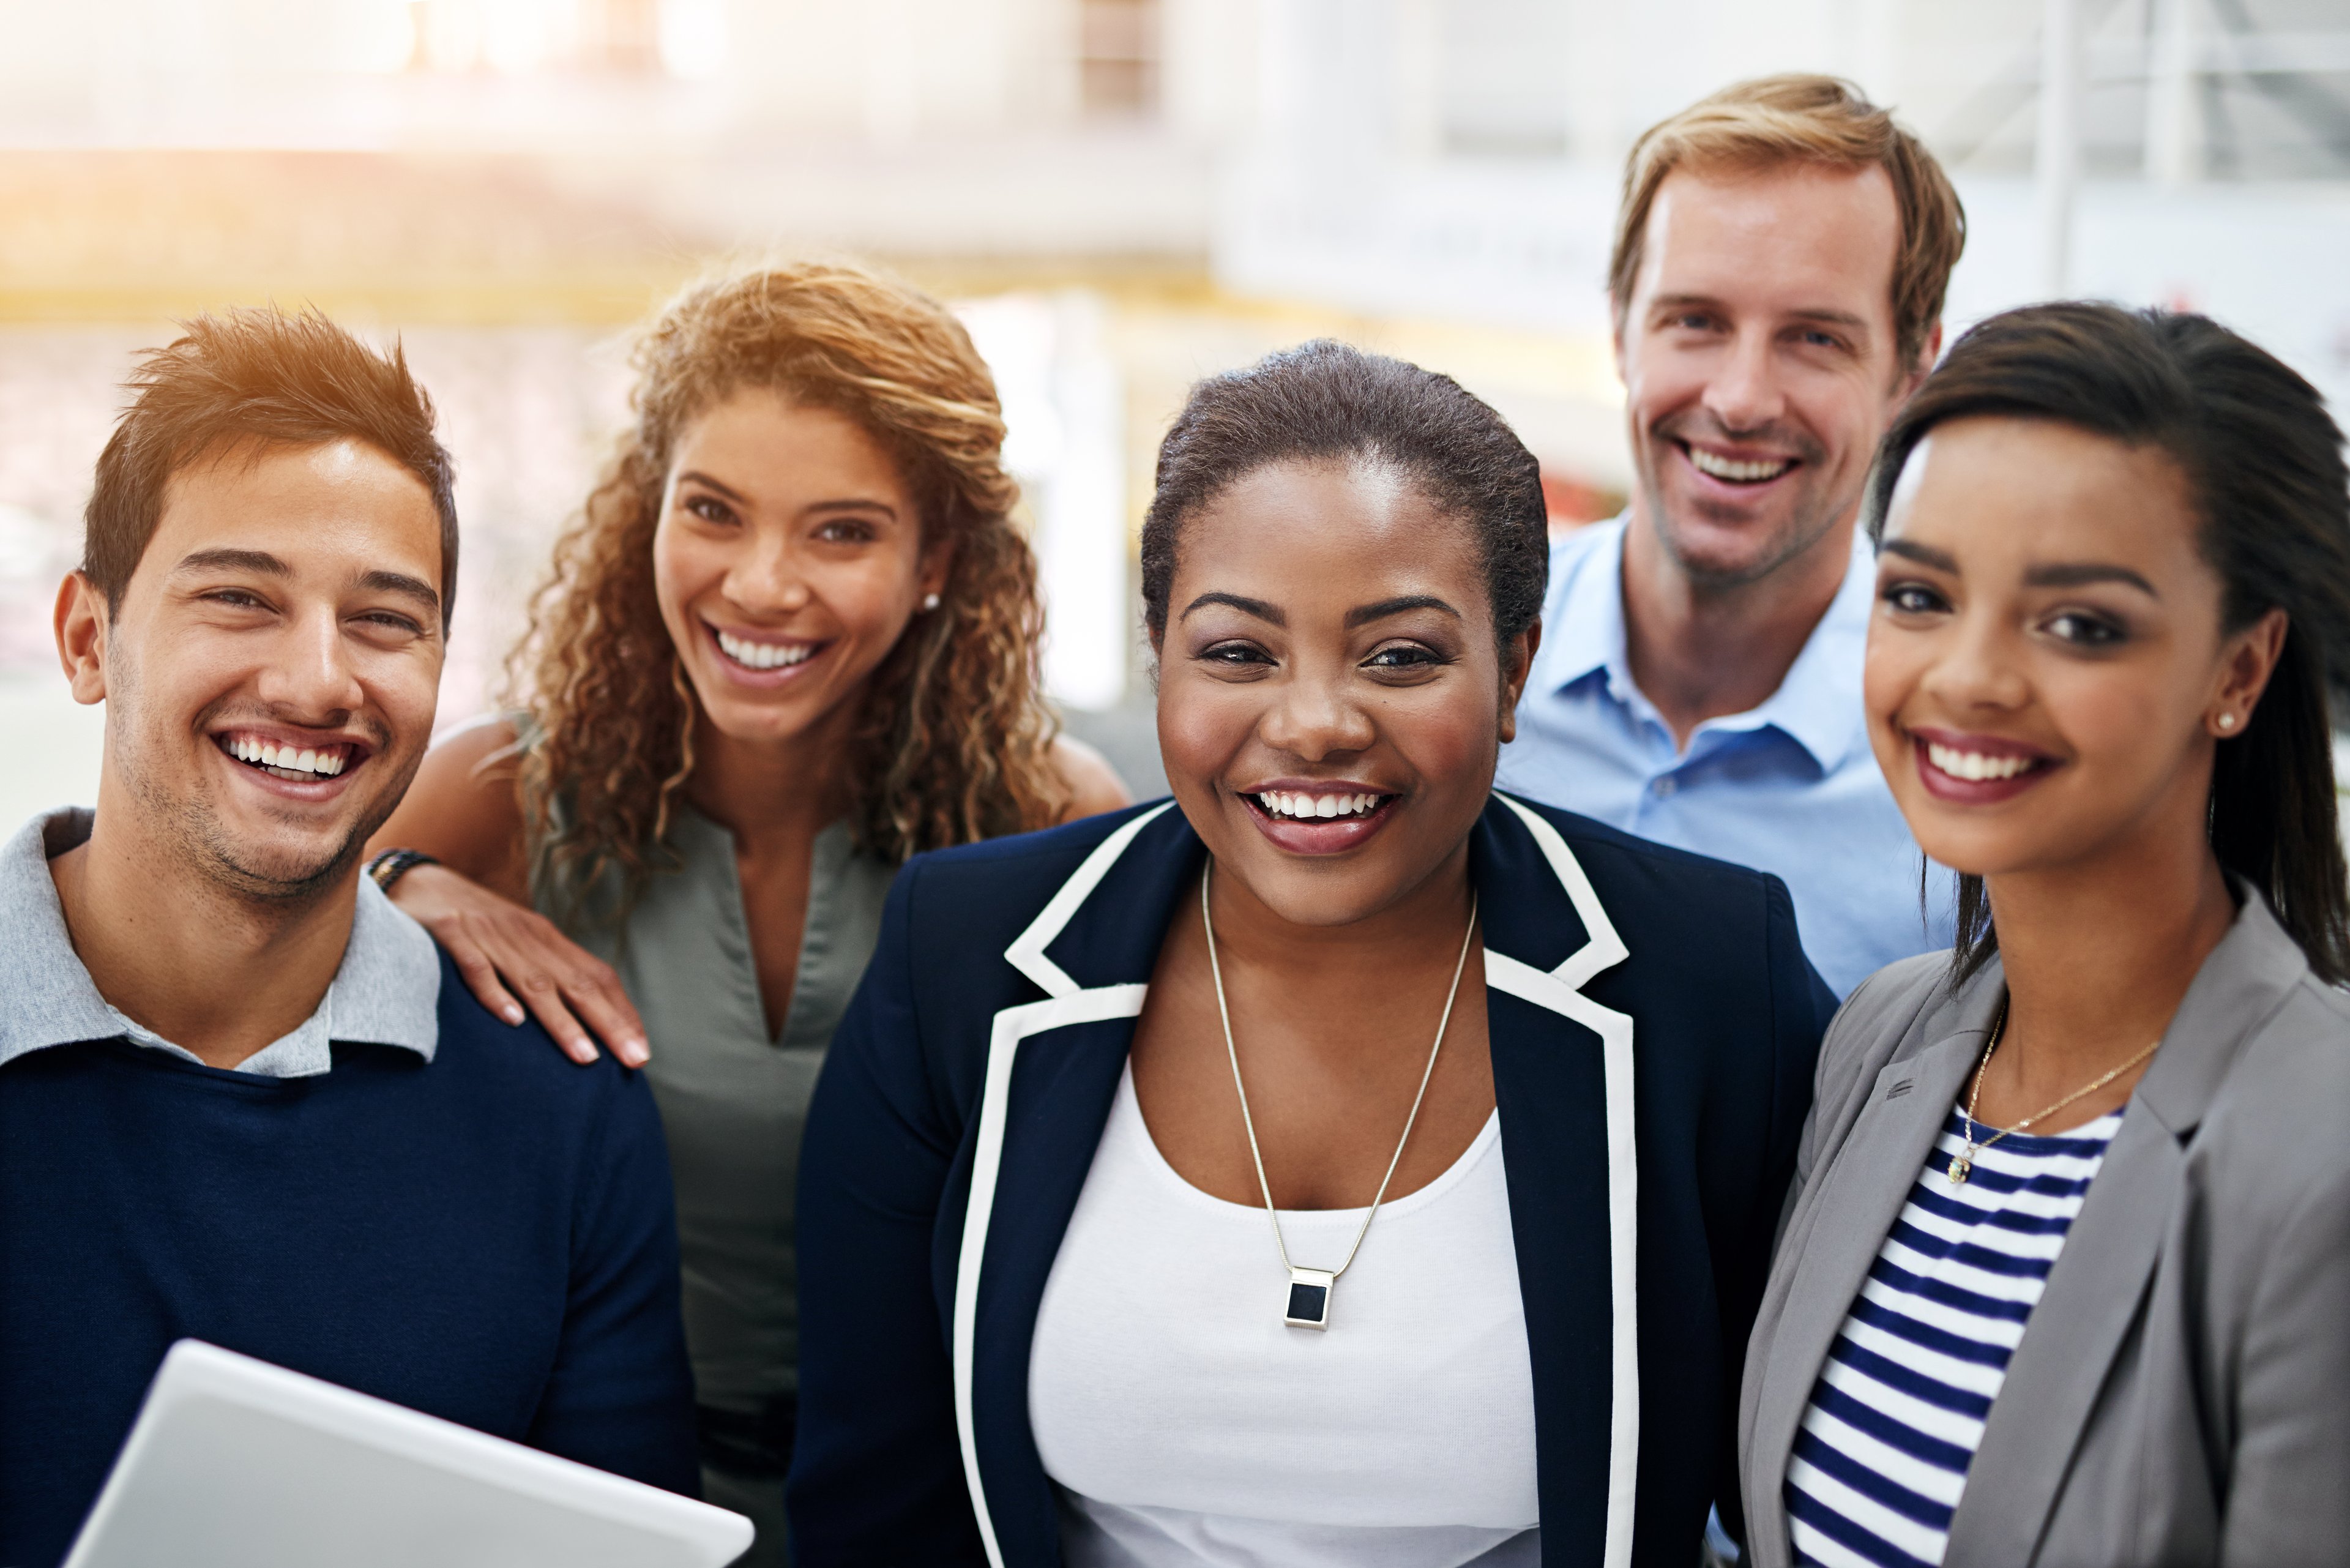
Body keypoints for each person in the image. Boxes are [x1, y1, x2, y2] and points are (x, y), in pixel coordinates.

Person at [788, 340, 1832, 1568]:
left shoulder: (1710, 979)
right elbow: (875, 1496)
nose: (1317, 724)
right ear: (1158, 654)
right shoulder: (964, 956)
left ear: (1516, 672)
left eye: (1402, 656)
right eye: (1238, 652)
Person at [367, 261, 1128, 1554]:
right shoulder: (493, 800)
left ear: (938, 556)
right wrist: (400, 887)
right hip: (589, 1495)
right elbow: (268, 994)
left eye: (842, 531)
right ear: (644, 510)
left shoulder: (1051, 824)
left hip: (937, 1509)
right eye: (713, 511)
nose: (763, 585)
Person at [0, 308, 698, 1568]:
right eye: (239, 599)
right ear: (89, 639)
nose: (318, 681)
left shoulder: (563, 1114)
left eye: (385, 619)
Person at [1739, 304, 2350, 1567]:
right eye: (1917, 595)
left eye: (2078, 625)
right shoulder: (1882, 1041)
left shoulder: (2318, 1160)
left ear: (2240, 671)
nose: (1967, 677)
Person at [1496, 75, 1966, 997]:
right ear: (1622, 330)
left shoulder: (1968, 780)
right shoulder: (1454, 668)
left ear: (1913, 370)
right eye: (1697, 321)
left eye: (1815, 339)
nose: (1741, 399)